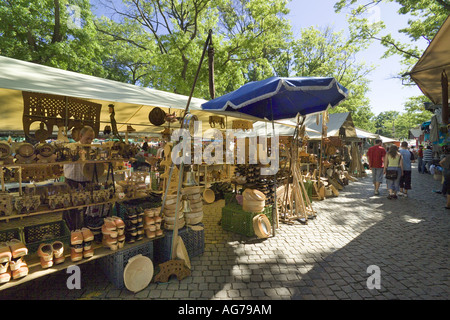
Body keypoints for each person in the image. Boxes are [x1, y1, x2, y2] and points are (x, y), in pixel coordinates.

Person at [63, 126, 95, 230]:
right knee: (70, 209)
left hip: (87, 183)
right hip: (71, 183)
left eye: (92, 139)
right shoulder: (71, 147)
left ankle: (84, 230)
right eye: (88, 138)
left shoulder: (93, 150)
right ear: (81, 136)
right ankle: (69, 231)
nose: (90, 141)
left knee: (87, 209)